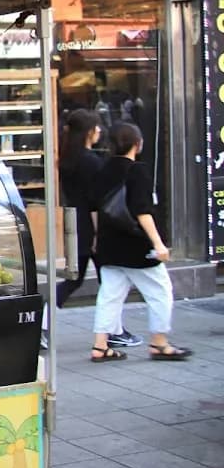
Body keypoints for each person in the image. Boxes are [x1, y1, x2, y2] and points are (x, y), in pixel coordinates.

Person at [87, 123, 191, 363]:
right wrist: (158, 243)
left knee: (109, 296)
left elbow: (93, 209)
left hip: (108, 245)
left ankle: (100, 346)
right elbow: (142, 211)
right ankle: (159, 343)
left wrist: (95, 238)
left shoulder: (102, 170)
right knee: (160, 292)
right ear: (137, 143)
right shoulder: (137, 171)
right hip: (136, 246)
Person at [56, 109, 141, 347]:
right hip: (92, 226)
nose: (100, 131)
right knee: (110, 282)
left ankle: (42, 323)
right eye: (97, 127)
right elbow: (96, 201)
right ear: (89, 131)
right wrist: (96, 235)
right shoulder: (91, 162)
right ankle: (113, 331)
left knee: (76, 279)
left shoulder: (68, 159)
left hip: (75, 223)